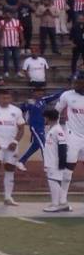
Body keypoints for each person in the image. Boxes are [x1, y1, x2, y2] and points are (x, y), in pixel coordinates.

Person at [54, 72, 84, 206]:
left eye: (78, 82)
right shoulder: (67, 95)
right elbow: (56, 112)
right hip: (73, 135)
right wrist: (55, 130)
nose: (75, 84)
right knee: (69, 168)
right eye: (75, 82)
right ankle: (63, 197)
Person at [42, 109, 71, 212]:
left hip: (55, 162)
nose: (44, 119)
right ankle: (61, 204)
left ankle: (57, 205)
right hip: (51, 162)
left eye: (45, 117)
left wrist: (62, 163)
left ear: (48, 118)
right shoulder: (51, 129)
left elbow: (62, 146)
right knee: (53, 182)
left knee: (53, 182)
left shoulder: (57, 130)